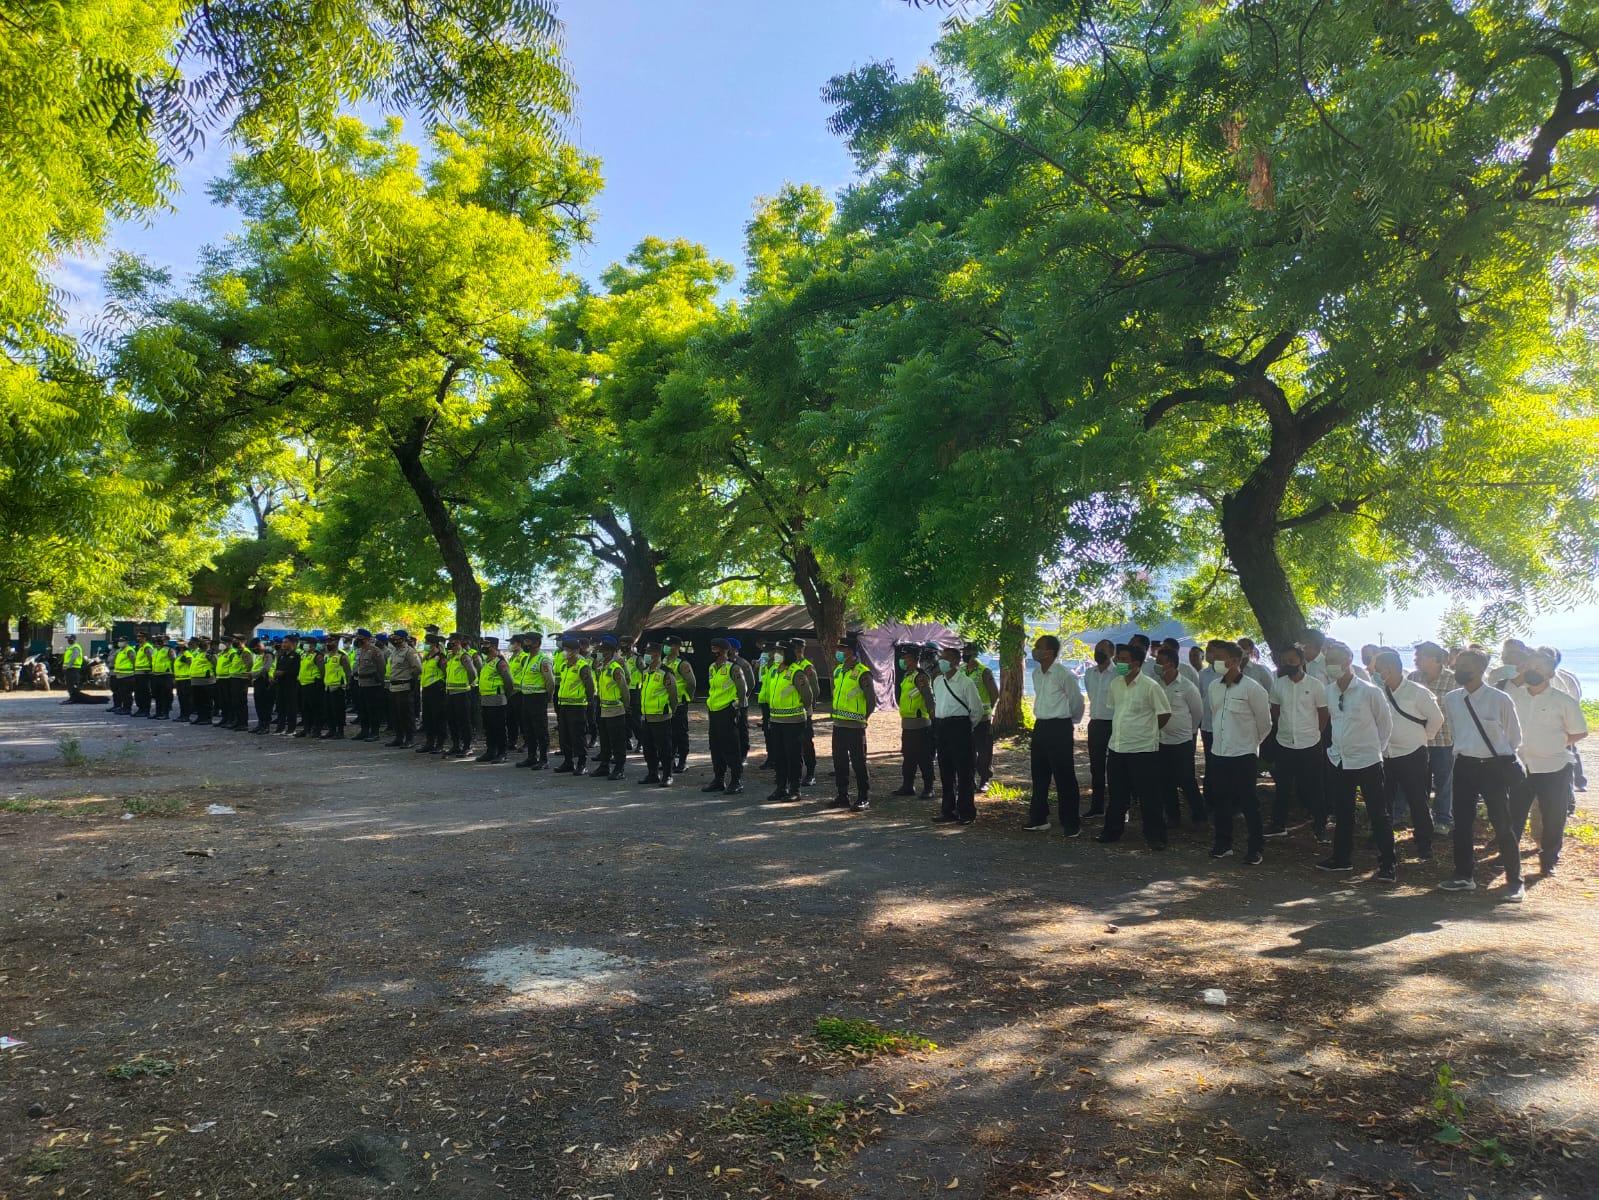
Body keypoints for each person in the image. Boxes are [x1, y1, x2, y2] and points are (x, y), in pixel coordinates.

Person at [1441, 649, 1525, 900]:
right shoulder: (1452, 698)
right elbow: (1456, 731)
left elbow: (1514, 737)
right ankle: (1464, 875)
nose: (1458, 670)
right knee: (1462, 823)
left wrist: (1496, 756)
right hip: (1464, 765)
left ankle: (1514, 881)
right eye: (1458, 665)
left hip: (1493, 767)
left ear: (1479, 669)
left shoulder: (1499, 699)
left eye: (1464, 665)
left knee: (1502, 823)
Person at [1506, 650, 1587, 878]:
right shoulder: (1514, 697)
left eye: (1540, 668)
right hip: (1521, 765)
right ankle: (1508, 858)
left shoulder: (1563, 701)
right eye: (1530, 666)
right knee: (1514, 814)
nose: (1534, 671)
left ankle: (1549, 860)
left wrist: (1556, 743)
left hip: (1555, 767)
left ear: (1551, 673)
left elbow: (1579, 731)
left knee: (1553, 817)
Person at [1319, 640, 1396, 880]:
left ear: (1347, 662)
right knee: (1342, 813)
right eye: (1328, 662)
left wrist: (1375, 751)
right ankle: (1341, 858)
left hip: (1368, 761)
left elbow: (1385, 725)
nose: (1331, 666)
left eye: (1335, 662)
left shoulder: (1369, 691)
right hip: (1340, 760)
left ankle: (1387, 864)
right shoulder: (1329, 691)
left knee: (1378, 813)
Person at [1097, 643, 1171, 849]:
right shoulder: (1116, 684)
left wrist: (1147, 732)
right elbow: (1116, 709)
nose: (1118, 662)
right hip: (1117, 747)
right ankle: (1112, 831)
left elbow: (1164, 714)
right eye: (1118, 659)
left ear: (1136, 663)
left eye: (1123, 659)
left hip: (1143, 749)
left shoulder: (1150, 686)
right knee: (1117, 794)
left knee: (1149, 796)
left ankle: (1155, 836)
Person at [1373, 649, 1443, 859]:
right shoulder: (1378, 690)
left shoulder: (1416, 691)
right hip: (1386, 753)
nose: (1376, 673)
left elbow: (1437, 719)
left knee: (1417, 801)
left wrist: (1423, 738)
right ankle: (1380, 838)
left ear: (1390, 669)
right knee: (1383, 800)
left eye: (1378, 670)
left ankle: (1424, 844)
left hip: (1413, 754)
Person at [1207, 642, 1273, 864]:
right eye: (1214, 656)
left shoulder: (1253, 688)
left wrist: (1250, 744)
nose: (1214, 660)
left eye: (1220, 657)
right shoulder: (1214, 687)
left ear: (1235, 661)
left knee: (1248, 802)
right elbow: (1216, 716)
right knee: (1221, 799)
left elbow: (1265, 723)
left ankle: (1256, 847)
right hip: (1219, 752)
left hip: (1243, 754)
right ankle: (1223, 843)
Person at [1025, 634, 1085, 835]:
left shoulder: (1063, 674)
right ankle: (1039, 818)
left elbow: (1077, 702)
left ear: (1049, 652)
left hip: (1060, 727)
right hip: (1041, 725)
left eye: (1039, 646)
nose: (1035, 650)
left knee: (1064, 776)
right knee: (1039, 774)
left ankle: (1071, 822)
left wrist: (1070, 721)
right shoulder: (1036, 673)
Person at [1267, 644, 1329, 839]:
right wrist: (1285, 727)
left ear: (1301, 661)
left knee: (1315, 786)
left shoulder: (1315, 685)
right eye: (1284, 661)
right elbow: (1275, 710)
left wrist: (1315, 733)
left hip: (1310, 744)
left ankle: (1320, 826)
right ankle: (1278, 824)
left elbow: (1323, 713)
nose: (1287, 664)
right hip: (1285, 743)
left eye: (1291, 660)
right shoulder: (1278, 684)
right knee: (1282, 786)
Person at [927, 643, 985, 826]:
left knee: (964, 771)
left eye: (944, 658)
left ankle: (966, 811)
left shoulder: (965, 682)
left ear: (954, 661)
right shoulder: (937, 681)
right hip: (942, 726)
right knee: (946, 770)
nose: (940, 661)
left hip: (960, 727)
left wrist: (965, 726)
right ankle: (948, 809)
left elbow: (976, 710)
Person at [1407, 642, 1456, 835]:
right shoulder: (1413, 678)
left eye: (1420, 656)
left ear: (1435, 660)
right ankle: (1420, 818)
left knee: (1444, 781)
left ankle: (1443, 819)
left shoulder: (1452, 680)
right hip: (1417, 740)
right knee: (1418, 780)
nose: (1416, 659)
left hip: (1444, 740)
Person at [1154, 645, 1204, 830]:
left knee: (1186, 780)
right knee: (1164, 781)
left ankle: (1199, 814)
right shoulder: (1155, 684)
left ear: (1172, 664)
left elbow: (1197, 713)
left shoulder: (1187, 686)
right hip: (1160, 740)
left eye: (1161, 662)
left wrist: (1188, 732)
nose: (1157, 665)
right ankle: (1172, 816)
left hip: (1181, 741)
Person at [765, 642, 815, 802]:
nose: (776, 655)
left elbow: (808, 696)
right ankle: (781, 787)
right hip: (776, 720)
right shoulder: (775, 671)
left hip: (793, 722)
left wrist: (801, 712)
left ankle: (795, 789)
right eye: (776, 651)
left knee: (793, 756)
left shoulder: (797, 672)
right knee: (779, 756)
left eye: (780, 652)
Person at [828, 638, 874, 810]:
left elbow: (871, 700)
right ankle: (842, 795)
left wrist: (862, 718)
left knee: (858, 762)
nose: (839, 651)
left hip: (855, 726)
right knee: (839, 761)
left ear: (852, 652)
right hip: (839, 724)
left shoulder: (863, 672)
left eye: (843, 648)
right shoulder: (839, 670)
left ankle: (863, 797)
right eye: (838, 648)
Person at [701, 637, 750, 794]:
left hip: (728, 711)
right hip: (714, 711)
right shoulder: (712, 668)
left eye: (715, 649)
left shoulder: (733, 668)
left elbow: (742, 689)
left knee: (731, 748)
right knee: (715, 746)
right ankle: (719, 779)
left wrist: (737, 706)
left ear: (723, 651)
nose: (712, 651)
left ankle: (736, 780)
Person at [892, 643, 935, 799]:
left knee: (924, 758)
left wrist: (933, 718)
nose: (903, 660)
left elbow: (929, 699)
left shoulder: (920, 677)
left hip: (920, 725)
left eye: (906, 658)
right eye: (902, 657)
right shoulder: (907, 676)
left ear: (915, 659)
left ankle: (929, 787)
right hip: (908, 724)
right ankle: (908, 786)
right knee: (908, 757)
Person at [1081, 638, 1117, 817]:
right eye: (1097, 649)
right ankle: (1097, 806)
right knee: (1096, 767)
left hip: (1114, 723)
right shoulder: (1089, 673)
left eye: (1102, 650)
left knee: (1116, 767)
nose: (1098, 653)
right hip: (1095, 723)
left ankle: (1119, 807)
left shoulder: (1119, 672)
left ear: (1112, 653)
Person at [637, 644, 681, 787]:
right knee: (648, 748)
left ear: (656, 654)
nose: (646, 656)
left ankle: (667, 775)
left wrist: (671, 710)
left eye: (649, 653)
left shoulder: (665, 672)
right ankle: (652, 774)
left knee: (664, 748)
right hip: (646, 716)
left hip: (661, 716)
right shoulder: (645, 672)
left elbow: (673, 694)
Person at [553, 637, 596, 774]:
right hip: (563, 704)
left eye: (568, 650)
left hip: (577, 706)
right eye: (565, 649)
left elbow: (590, 686)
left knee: (578, 735)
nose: (565, 652)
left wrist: (589, 701)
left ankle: (582, 763)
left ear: (576, 651)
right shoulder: (565, 665)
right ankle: (568, 762)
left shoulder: (582, 666)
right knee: (564, 735)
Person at [961, 643, 1000, 792]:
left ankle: (984, 779)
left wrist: (987, 708)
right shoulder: (962, 670)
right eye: (964, 651)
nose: (965, 654)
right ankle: (968, 780)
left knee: (983, 750)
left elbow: (994, 693)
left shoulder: (984, 671)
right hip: (966, 717)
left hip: (982, 718)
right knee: (966, 750)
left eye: (968, 652)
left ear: (975, 653)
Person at [514, 632, 556, 768]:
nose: (525, 644)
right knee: (528, 729)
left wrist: (548, 697)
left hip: (538, 698)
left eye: (528, 641)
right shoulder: (527, 659)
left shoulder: (543, 659)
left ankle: (544, 759)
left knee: (540, 730)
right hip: (526, 697)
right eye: (525, 641)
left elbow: (550, 681)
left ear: (537, 643)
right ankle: (531, 757)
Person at [592, 636, 631, 779]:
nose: (600, 653)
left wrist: (626, 706)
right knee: (605, 740)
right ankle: (604, 766)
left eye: (602, 651)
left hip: (615, 710)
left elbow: (625, 688)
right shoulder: (602, 667)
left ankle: (619, 768)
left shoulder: (615, 668)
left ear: (610, 652)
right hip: (603, 708)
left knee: (617, 740)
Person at [473, 636, 515, 763]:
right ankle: (491, 751)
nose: (484, 646)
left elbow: (509, 682)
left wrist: (504, 696)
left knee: (499, 727)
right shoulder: (487, 662)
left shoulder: (500, 662)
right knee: (489, 727)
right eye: (483, 644)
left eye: (487, 644)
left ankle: (502, 753)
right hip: (486, 699)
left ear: (494, 646)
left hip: (497, 700)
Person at [661, 637, 696, 774]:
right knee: (668, 734)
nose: (666, 648)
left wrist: (688, 697)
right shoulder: (663, 661)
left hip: (680, 703)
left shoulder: (682, 663)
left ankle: (682, 761)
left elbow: (691, 683)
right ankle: (669, 762)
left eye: (669, 645)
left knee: (680, 733)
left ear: (676, 647)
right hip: (666, 702)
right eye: (665, 645)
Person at [442, 633, 478, 757]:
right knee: (452, 721)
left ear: (458, 642)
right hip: (450, 693)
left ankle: (467, 746)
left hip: (462, 693)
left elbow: (472, 673)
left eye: (452, 641)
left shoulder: (464, 656)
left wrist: (468, 684)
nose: (449, 644)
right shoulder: (451, 656)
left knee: (464, 721)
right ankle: (456, 745)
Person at [790, 639, 819, 787]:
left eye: (795, 649)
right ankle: (795, 773)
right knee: (794, 744)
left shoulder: (807, 667)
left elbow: (814, 690)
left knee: (806, 743)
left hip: (804, 713)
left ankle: (810, 773)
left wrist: (808, 710)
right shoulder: (789, 666)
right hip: (791, 715)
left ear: (800, 649)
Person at [385, 631, 421, 748]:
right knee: (396, 714)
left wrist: (408, 677)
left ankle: (410, 738)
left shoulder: (410, 651)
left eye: (397, 638)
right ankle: (399, 737)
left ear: (403, 639)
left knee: (406, 714)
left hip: (404, 686)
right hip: (393, 686)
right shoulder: (394, 651)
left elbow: (417, 668)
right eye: (393, 637)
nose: (394, 640)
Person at [416, 634, 447, 754]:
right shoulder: (427, 657)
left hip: (437, 691)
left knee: (438, 718)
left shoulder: (441, 658)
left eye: (427, 643)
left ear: (434, 644)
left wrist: (441, 684)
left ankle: (440, 744)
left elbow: (446, 673)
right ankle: (429, 743)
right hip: (426, 689)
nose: (426, 645)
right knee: (428, 717)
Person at [321, 636, 350, 739]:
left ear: (336, 642)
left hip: (338, 687)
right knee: (328, 710)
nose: (328, 643)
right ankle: (331, 730)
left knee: (338, 710)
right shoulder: (326, 656)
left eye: (331, 641)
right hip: (327, 686)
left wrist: (346, 684)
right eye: (327, 641)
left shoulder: (342, 656)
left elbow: (347, 671)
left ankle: (340, 731)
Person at [295, 638, 324, 738]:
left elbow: (322, 670)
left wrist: (318, 681)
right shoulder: (303, 655)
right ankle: (306, 729)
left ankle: (317, 730)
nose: (304, 645)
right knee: (305, 708)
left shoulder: (318, 656)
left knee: (315, 708)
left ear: (312, 645)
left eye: (306, 644)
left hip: (313, 684)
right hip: (303, 684)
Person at [272, 635, 300, 734]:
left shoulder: (296, 656)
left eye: (286, 642)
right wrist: (275, 675)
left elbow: (296, 671)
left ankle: (291, 728)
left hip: (291, 684)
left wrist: (284, 673)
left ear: (293, 644)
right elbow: (277, 668)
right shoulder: (281, 656)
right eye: (283, 642)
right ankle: (280, 727)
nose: (283, 644)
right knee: (280, 706)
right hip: (280, 684)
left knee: (291, 707)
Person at [188, 637, 217, 725]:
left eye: (205, 643)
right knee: (197, 701)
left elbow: (216, 664)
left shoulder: (210, 654)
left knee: (206, 701)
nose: (202, 644)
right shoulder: (197, 653)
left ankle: (207, 719)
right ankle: (200, 717)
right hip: (195, 680)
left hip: (206, 681)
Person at [249, 637, 275, 733]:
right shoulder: (259, 656)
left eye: (255, 648)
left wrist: (252, 674)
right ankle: (260, 724)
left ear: (259, 646)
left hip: (266, 682)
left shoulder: (268, 655)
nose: (254, 650)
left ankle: (265, 726)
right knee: (258, 705)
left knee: (266, 705)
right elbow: (256, 668)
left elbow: (265, 669)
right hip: (258, 682)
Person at [131, 629, 154, 717]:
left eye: (140, 637)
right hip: (138, 673)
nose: (138, 638)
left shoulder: (147, 647)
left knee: (144, 692)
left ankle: (145, 710)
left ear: (145, 638)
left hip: (144, 673)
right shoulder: (140, 647)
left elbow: (151, 658)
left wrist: (150, 669)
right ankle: (141, 709)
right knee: (138, 692)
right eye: (137, 636)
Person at [60, 634, 85, 704]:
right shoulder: (70, 647)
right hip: (69, 668)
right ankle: (72, 698)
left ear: (73, 639)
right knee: (69, 684)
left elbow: (74, 657)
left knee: (72, 684)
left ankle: (73, 699)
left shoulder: (76, 647)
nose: (68, 640)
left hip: (73, 668)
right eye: (67, 638)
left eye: (69, 638)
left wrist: (68, 666)